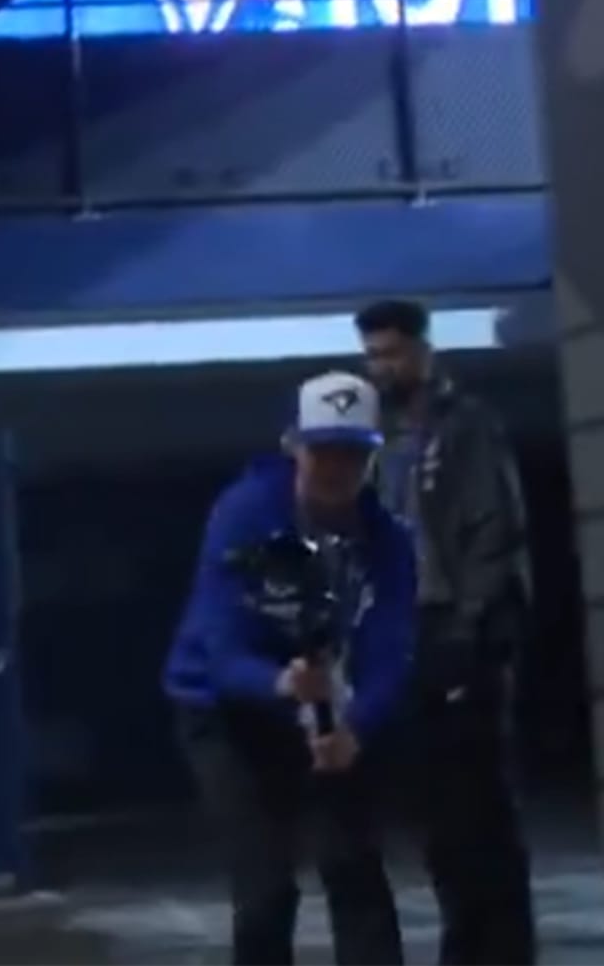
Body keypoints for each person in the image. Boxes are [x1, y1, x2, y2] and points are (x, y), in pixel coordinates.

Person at [164, 371, 417, 966]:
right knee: (265, 886)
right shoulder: (245, 514)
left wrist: (355, 727)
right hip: (225, 708)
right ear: (292, 446)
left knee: (355, 864)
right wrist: (282, 686)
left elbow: (391, 647)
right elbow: (222, 650)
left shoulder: (386, 540)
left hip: (328, 703)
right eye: (322, 450)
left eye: (352, 454)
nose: (336, 468)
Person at [355, 298, 536, 965]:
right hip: (409, 637)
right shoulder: (380, 436)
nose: (383, 367)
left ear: (424, 350)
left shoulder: (464, 424)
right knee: (439, 818)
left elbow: (493, 528)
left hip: (461, 632)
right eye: (373, 355)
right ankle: (471, 946)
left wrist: (472, 625)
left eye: (393, 353)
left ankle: (502, 950)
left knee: (478, 807)